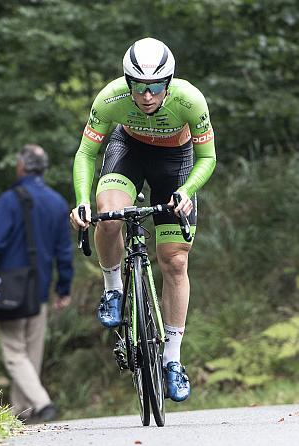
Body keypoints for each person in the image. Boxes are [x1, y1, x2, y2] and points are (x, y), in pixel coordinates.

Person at [70, 37, 216, 402]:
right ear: (127, 81)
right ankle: (113, 288)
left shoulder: (190, 100)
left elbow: (207, 158)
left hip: (176, 163)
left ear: (167, 84)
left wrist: (186, 191)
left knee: (175, 261)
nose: (147, 95)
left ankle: (172, 359)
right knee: (108, 217)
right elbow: (88, 152)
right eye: (139, 86)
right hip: (128, 152)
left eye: (154, 87)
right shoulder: (110, 99)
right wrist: (82, 201)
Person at [0, 144, 73, 422]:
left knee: (14, 352)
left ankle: (43, 403)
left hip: (11, 286)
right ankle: (22, 413)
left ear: (21, 166)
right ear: (43, 169)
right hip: (41, 288)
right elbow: (64, 252)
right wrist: (63, 288)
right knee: (31, 354)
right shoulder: (58, 202)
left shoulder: (9, 200)